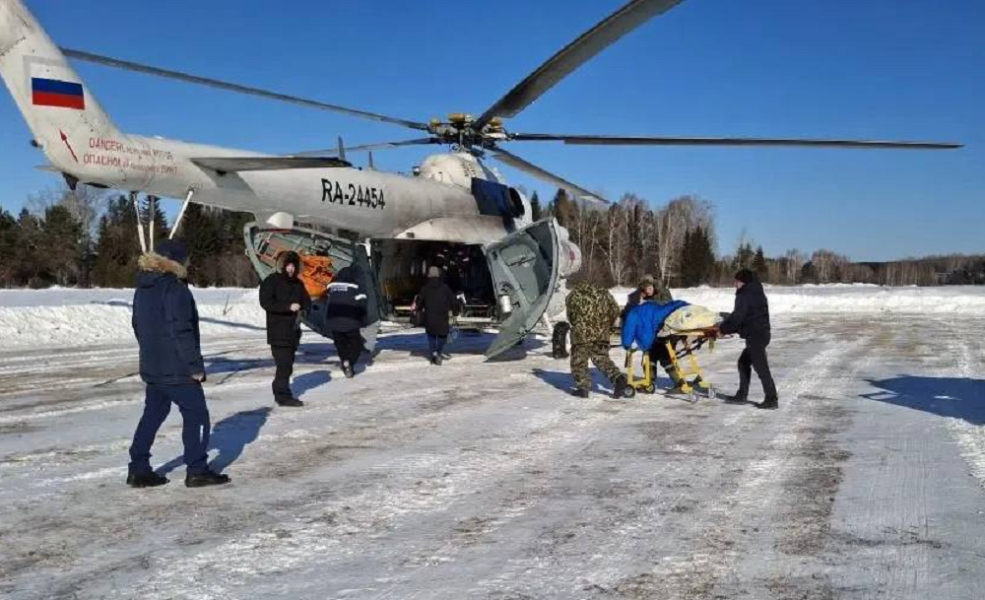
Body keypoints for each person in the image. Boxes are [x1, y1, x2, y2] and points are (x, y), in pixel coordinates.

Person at [128, 240, 230, 488]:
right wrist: (195, 366)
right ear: (176, 261)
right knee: (197, 414)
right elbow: (181, 330)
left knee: (152, 415)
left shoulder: (143, 287)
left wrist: (151, 353)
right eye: (186, 259)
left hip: (153, 367)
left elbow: (137, 325)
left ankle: (138, 468)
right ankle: (197, 469)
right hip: (177, 369)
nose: (189, 263)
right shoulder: (176, 289)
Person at [719, 268, 778, 409]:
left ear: (743, 282)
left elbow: (738, 317)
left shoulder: (744, 294)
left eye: (737, 281)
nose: (735, 284)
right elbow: (749, 316)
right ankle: (742, 395)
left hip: (756, 335)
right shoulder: (757, 292)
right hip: (762, 333)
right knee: (743, 363)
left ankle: (771, 399)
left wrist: (723, 329)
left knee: (761, 367)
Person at [260, 251, 311, 407]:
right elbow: (266, 302)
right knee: (284, 365)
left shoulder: (298, 283)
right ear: (282, 266)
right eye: (288, 265)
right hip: (278, 331)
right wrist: (288, 307)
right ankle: (282, 396)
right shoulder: (271, 281)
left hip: (293, 332)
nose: (291, 269)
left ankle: (282, 392)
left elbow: (306, 301)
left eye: (293, 266)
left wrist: (305, 309)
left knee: (287, 365)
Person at [565, 282, 628, 399]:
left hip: (581, 334)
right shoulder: (604, 293)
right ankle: (618, 378)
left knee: (579, 360)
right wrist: (605, 325)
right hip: (601, 333)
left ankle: (583, 387)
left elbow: (571, 315)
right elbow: (614, 311)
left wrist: (578, 324)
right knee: (601, 358)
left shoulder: (574, 294)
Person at [621, 299, 690, 392]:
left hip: (648, 342)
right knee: (665, 359)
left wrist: (627, 345)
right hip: (661, 338)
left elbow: (628, 333)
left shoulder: (632, 313)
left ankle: (650, 382)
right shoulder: (655, 308)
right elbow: (669, 307)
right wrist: (684, 304)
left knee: (648, 359)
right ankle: (679, 382)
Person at [325, 265, 368, 378]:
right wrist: (362, 319)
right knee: (356, 345)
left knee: (341, 344)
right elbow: (362, 304)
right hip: (350, 320)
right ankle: (349, 362)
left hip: (333, 321)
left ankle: (345, 361)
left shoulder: (331, 288)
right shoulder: (356, 287)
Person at [417, 266, 460, 365]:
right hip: (442, 317)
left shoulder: (425, 288)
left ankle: (434, 354)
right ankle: (438, 352)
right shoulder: (445, 288)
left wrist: (419, 308)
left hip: (429, 318)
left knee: (431, 337)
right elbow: (453, 300)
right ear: (438, 275)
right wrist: (455, 310)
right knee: (442, 337)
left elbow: (419, 302)